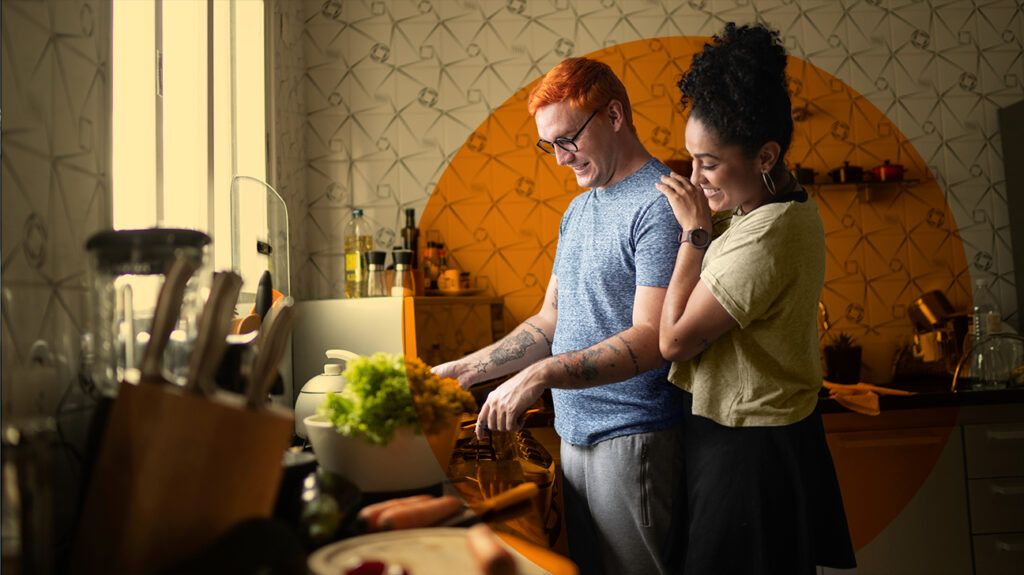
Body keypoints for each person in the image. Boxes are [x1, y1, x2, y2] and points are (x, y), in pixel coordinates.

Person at [433, 57, 685, 575]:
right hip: (575, 437)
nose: (560, 159)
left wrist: (542, 374)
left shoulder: (659, 205)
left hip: (634, 437)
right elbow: (550, 319)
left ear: (614, 116)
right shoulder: (580, 209)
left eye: (568, 140)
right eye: (550, 145)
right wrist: (467, 369)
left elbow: (651, 338)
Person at [654, 23, 857, 574]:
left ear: (766, 156)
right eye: (691, 158)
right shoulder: (759, 214)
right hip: (747, 439)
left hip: (751, 452)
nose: (695, 178)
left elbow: (672, 342)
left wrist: (694, 236)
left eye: (710, 163)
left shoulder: (768, 234)